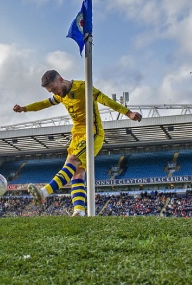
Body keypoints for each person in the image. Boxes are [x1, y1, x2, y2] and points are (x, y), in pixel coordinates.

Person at [13, 70, 142, 216]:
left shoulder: (83, 88)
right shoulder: (60, 96)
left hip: (92, 132)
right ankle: (79, 211)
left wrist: (128, 113)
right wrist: (25, 108)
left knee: (73, 161)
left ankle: (44, 192)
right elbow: (44, 104)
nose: (55, 93)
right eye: (51, 91)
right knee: (77, 173)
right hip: (77, 135)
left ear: (61, 79)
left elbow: (105, 100)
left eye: (54, 89)